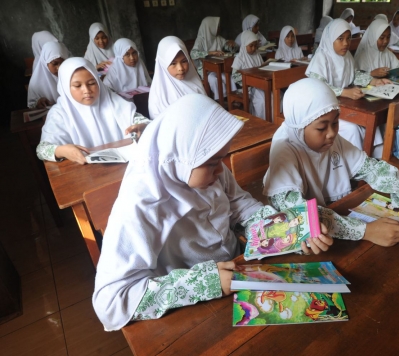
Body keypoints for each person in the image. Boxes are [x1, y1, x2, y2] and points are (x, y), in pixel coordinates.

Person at [92, 95, 333, 330]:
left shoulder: (210, 170)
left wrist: (290, 228)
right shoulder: (139, 207)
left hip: (236, 269)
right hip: (190, 305)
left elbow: (241, 207)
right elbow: (110, 302)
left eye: (222, 158)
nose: (221, 170)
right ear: (181, 159)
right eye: (211, 163)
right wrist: (203, 283)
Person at [263, 78, 399, 248]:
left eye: (335, 123)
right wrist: (367, 231)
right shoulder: (284, 151)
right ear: (298, 126)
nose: (331, 133)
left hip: (333, 219)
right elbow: (299, 216)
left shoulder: (329, 139)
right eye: (321, 127)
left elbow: (374, 169)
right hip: (306, 243)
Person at [36, 58, 150, 164]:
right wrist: (61, 150)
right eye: (77, 85)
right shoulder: (59, 113)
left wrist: (142, 126)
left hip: (125, 166)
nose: (86, 90)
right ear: (65, 87)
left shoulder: (111, 100)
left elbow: (142, 121)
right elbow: (42, 150)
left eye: (92, 83)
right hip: (85, 172)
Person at [306, 19, 390, 154]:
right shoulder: (322, 58)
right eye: (340, 39)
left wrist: (373, 81)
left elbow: (354, 74)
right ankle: (354, 164)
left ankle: (373, 156)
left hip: (342, 104)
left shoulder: (347, 56)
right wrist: (345, 92)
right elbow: (318, 86)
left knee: (370, 123)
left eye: (348, 38)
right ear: (330, 39)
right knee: (352, 128)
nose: (345, 43)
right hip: (321, 107)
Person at [148, 36, 206, 119]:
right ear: (163, 64)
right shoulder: (159, 96)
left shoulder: (195, 82)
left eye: (184, 61)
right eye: (173, 63)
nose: (181, 68)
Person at [190, 16, 237, 101]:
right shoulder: (201, 39)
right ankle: (220, 101)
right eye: (217, 26)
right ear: (210, 27)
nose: (219, 28)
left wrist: (231, 44)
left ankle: (233, 99)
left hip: (219, 68)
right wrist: (210, 53)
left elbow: (227, 47)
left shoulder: (218, 38)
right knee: (214, 80)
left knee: (228, 77)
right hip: (206, 71)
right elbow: (193, 54)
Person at [231, 30, 268, 119]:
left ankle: (271, 120)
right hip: (247, 87)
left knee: (277, 96)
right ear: (244, 45)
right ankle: (261, 121)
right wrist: (248, 79)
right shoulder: (239, 58)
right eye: (251, 46)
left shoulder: (257, 55)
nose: (254, 48)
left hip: (260, 84)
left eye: (255, 45)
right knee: (262, 100)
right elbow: (235, 76)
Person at [27, 41, 69, 108]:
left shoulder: (71, 76)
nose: (59, 68)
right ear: (45, 62)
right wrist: (39, 102)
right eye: (55, 64)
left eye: (63, 63)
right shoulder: (35, 83)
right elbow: (32, 105)